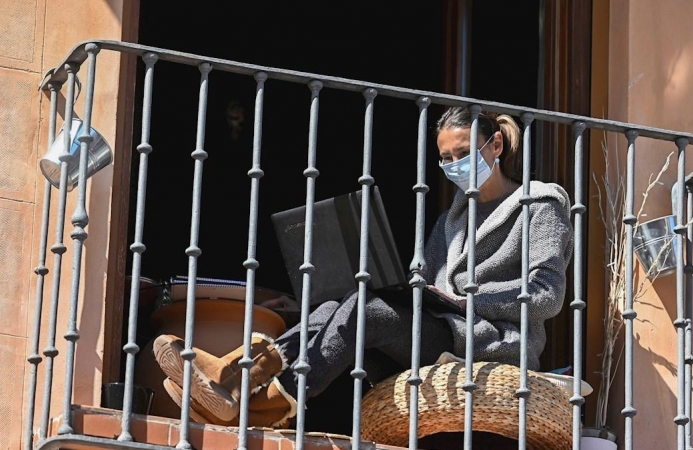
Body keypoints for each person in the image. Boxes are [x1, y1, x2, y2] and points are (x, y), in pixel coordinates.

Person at [152, 106, 573, 428]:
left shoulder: (540, 202)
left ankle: (265, 401)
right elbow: (423, 285)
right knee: (344, 302)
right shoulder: (452, 219)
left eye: (464, 153)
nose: (454, 166)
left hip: (490, 340)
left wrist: (467, 297)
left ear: (496, 145)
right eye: (446, 159)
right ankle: (234, 377)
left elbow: (546, 296)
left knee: (366, 310)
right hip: (441, 328)